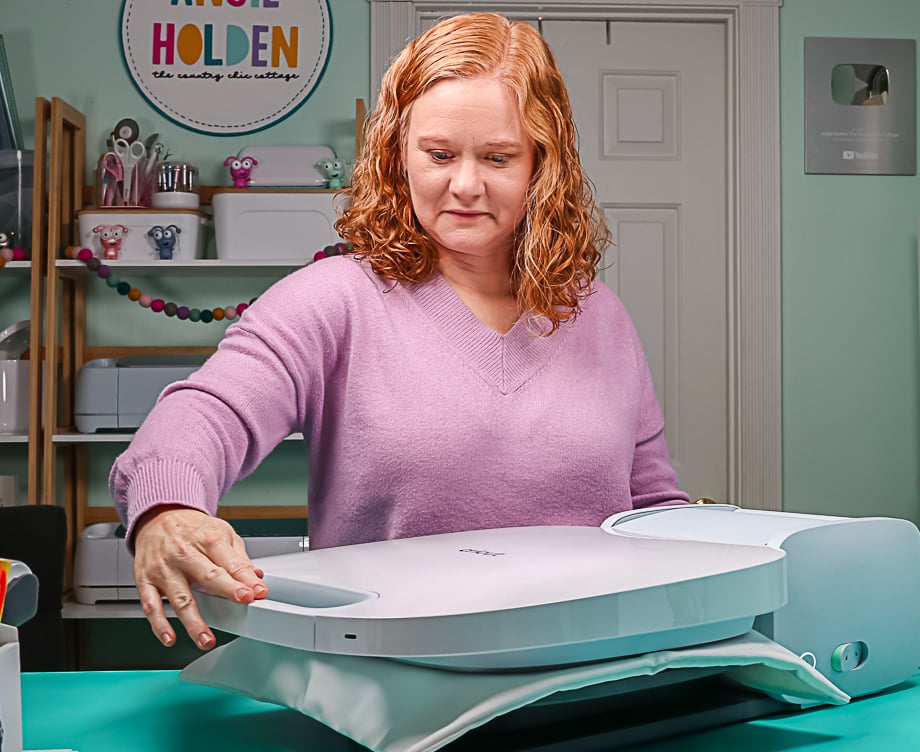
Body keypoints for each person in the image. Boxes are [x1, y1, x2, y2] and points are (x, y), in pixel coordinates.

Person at [109, 12, 689, 653]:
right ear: (397, 155)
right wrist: (167, 509)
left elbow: (654, 505)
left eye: (498, 157)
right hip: (388, 673)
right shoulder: (332, 302)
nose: (465, 185)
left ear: (540, 166)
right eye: (439, 155)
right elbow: (207, 411)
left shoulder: (599, 315)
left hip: (593, 668)